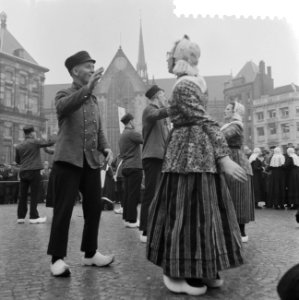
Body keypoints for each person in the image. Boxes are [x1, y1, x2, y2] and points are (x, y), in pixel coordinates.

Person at [146, 35, 247, 296]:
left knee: (203, 211)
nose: (196, 60)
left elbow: (201, 121)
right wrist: (223, 157)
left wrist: (220, 157)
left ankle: (203, 266)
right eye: (193, 56)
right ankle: (177, 270)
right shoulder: (185, 86)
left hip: (195, 153)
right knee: (186, 212)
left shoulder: (188, 85)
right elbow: (203, 120)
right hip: (185, 155)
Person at [47, 51, 114, 277]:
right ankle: (57, 259)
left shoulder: (94, 100)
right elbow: (64, 107)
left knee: (94, 208)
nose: (92, 70)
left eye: (93, 67)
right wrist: (87, 90)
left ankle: (90, 253)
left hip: (90, 161)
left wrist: (106, 148)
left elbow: (99, 129)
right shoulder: (63, 94)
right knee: (63, 210)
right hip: (68, 161)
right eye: (88, 67)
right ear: (75, 71)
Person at [221, 101, 255, 242]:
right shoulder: (228, 125)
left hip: (238, 162)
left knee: (239, 196)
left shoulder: (236, 125)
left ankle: (241, 232)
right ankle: (228, 229)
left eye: (228, 109)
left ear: (235, 111)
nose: (225, 111)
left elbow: (222, 136)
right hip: (228, 161)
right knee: (228, 196)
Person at [139, 85, 169, 243]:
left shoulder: (162, 117)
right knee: (150, 195)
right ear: (157, 96)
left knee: (159, 195)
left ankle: (156, 227)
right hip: (152, 157)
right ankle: (145, 230)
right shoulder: (149, 109)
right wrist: (175, 107)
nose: (166, 99)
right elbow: (158, 113)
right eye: (164, 96)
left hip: (160, 158)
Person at [15, 126, 55, 224]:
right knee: (34, 194)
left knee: (23, 195)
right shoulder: (35, 141)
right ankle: (33, 217)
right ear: (32, 133)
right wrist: (45, 136)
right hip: (34, 171)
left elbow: (17, 161)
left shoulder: (19, 145)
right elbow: (51, 142)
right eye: (34, 132)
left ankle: (20, 217)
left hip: (23, 171)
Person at [119, 113, 143, 228]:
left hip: (126, 166)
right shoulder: (132, 133)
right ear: (130, 122)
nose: (135, 122)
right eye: (134, 121)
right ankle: (133, 220)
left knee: (127, 194)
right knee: (134, 195)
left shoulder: (123, 134)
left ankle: (126, 219)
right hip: (135, 166)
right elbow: (144, 139)